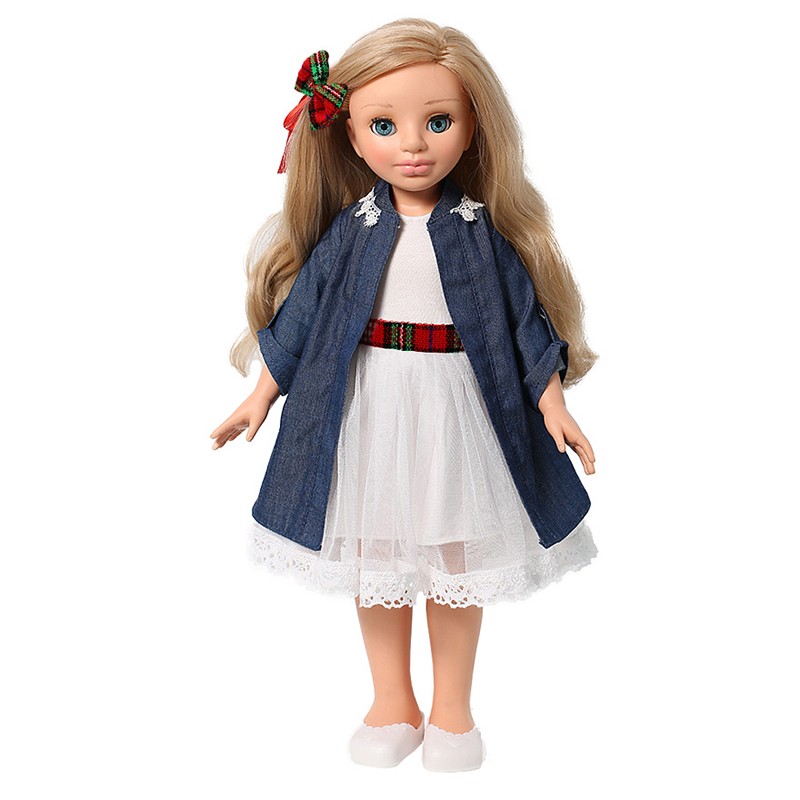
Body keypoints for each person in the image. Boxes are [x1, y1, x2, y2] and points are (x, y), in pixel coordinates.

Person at [210, 18, 599, 772]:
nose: (413, 145)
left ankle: (453, 709)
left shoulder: (479, 232)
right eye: (385, 126)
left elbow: (524, 322)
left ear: (473, 128)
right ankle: (392, 701)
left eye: (438, 121)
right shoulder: (352, 230)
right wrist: (263, 392)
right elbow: (304, 315)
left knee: (455, 556)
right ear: (353, 137)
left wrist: (552, 402)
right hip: (368, 404)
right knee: (376, 554)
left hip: (458, 407)